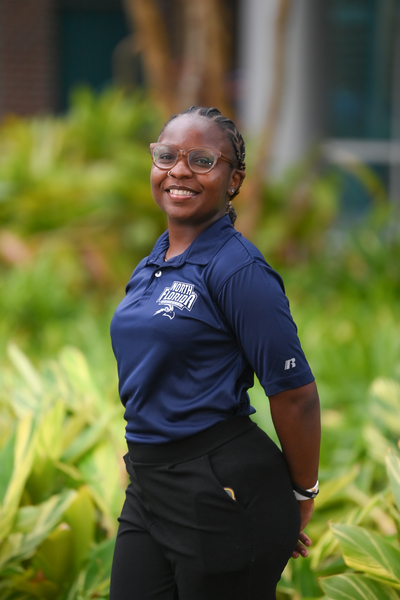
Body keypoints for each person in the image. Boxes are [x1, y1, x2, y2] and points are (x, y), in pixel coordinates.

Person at [109, 106, 321, 600]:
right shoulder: (153, 262)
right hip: (150, 486)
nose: (179, 170)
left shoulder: (238, 270)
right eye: (166, 156)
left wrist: (300, 494)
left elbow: (295, 394)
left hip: (220, 488)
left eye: (202, 160)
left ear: (234, 180)